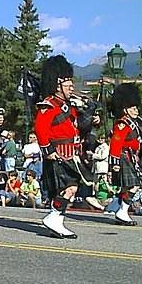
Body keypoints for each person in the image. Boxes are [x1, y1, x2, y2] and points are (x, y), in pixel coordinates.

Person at [34, 56, 100, 239]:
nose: (72, 87)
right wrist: (48, 150)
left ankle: (57, 220)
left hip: (71, 154)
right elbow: (40, 129)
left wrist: (92, 120)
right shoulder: (48, 105)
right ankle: (53, 218)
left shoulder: (68, 107)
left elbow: (76, 127)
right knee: (69, 188)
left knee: (72, 188)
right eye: (68, 84)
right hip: (58, 153)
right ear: (57, 85)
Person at [107, 83, 142, 227]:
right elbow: (116, 144)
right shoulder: (122, 124)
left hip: (131, 157)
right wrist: (114, 164)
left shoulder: (133, 123)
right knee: (133, 186)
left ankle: (122, 211)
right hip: (124, 157)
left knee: (128, 187)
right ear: (125, 109)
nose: (136, 110)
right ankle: (122, 211)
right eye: (133, 108)